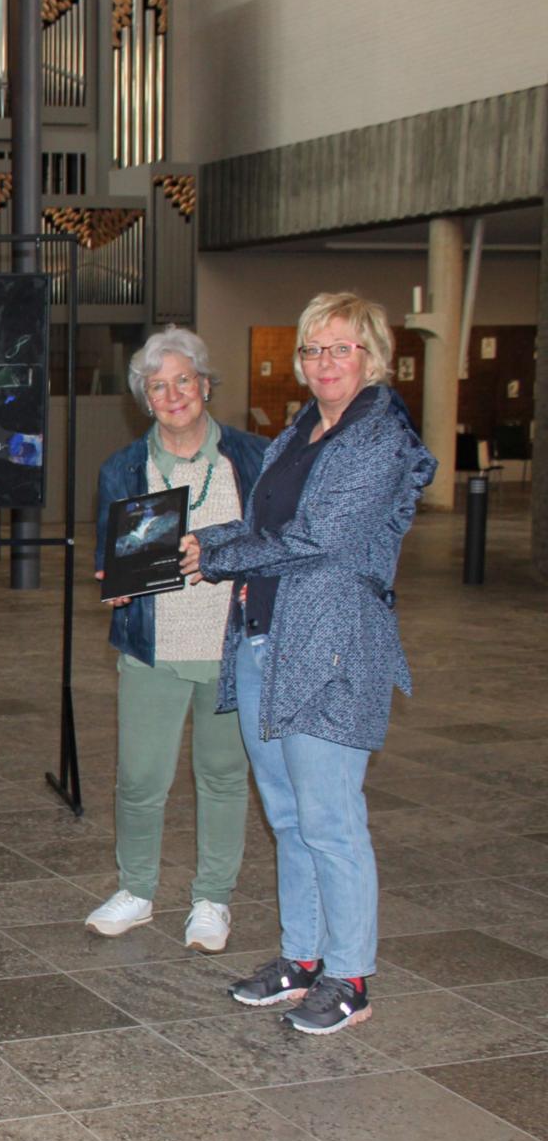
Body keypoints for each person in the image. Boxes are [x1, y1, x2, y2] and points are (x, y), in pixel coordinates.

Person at [182, 292, 435, 1034]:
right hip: (266, 639)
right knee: (289, 816)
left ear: (372, 356)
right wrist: (202, 540)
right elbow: (268, 523)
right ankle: (303, 958)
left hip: (329, 649)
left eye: (340, 348)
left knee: (331, 819)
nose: (323, 363)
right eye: (312, 350)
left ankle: (350, 974)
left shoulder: (379, 438)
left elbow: (317, 538)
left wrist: (221, 560)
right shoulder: (302, 427)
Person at [85, 327, 267, 953]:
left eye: (182, 380)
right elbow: (116, 554)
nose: (172, 394)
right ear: (145, 399)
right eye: (157, 387)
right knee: (140, 778)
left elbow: (276, 545)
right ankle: (136, 890)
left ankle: (212, 899)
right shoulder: (123, 468)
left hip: (230, 644)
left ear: (205, 385)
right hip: (152, 646)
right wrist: (114, 583)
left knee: (222, 775)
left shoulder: (254, 458)